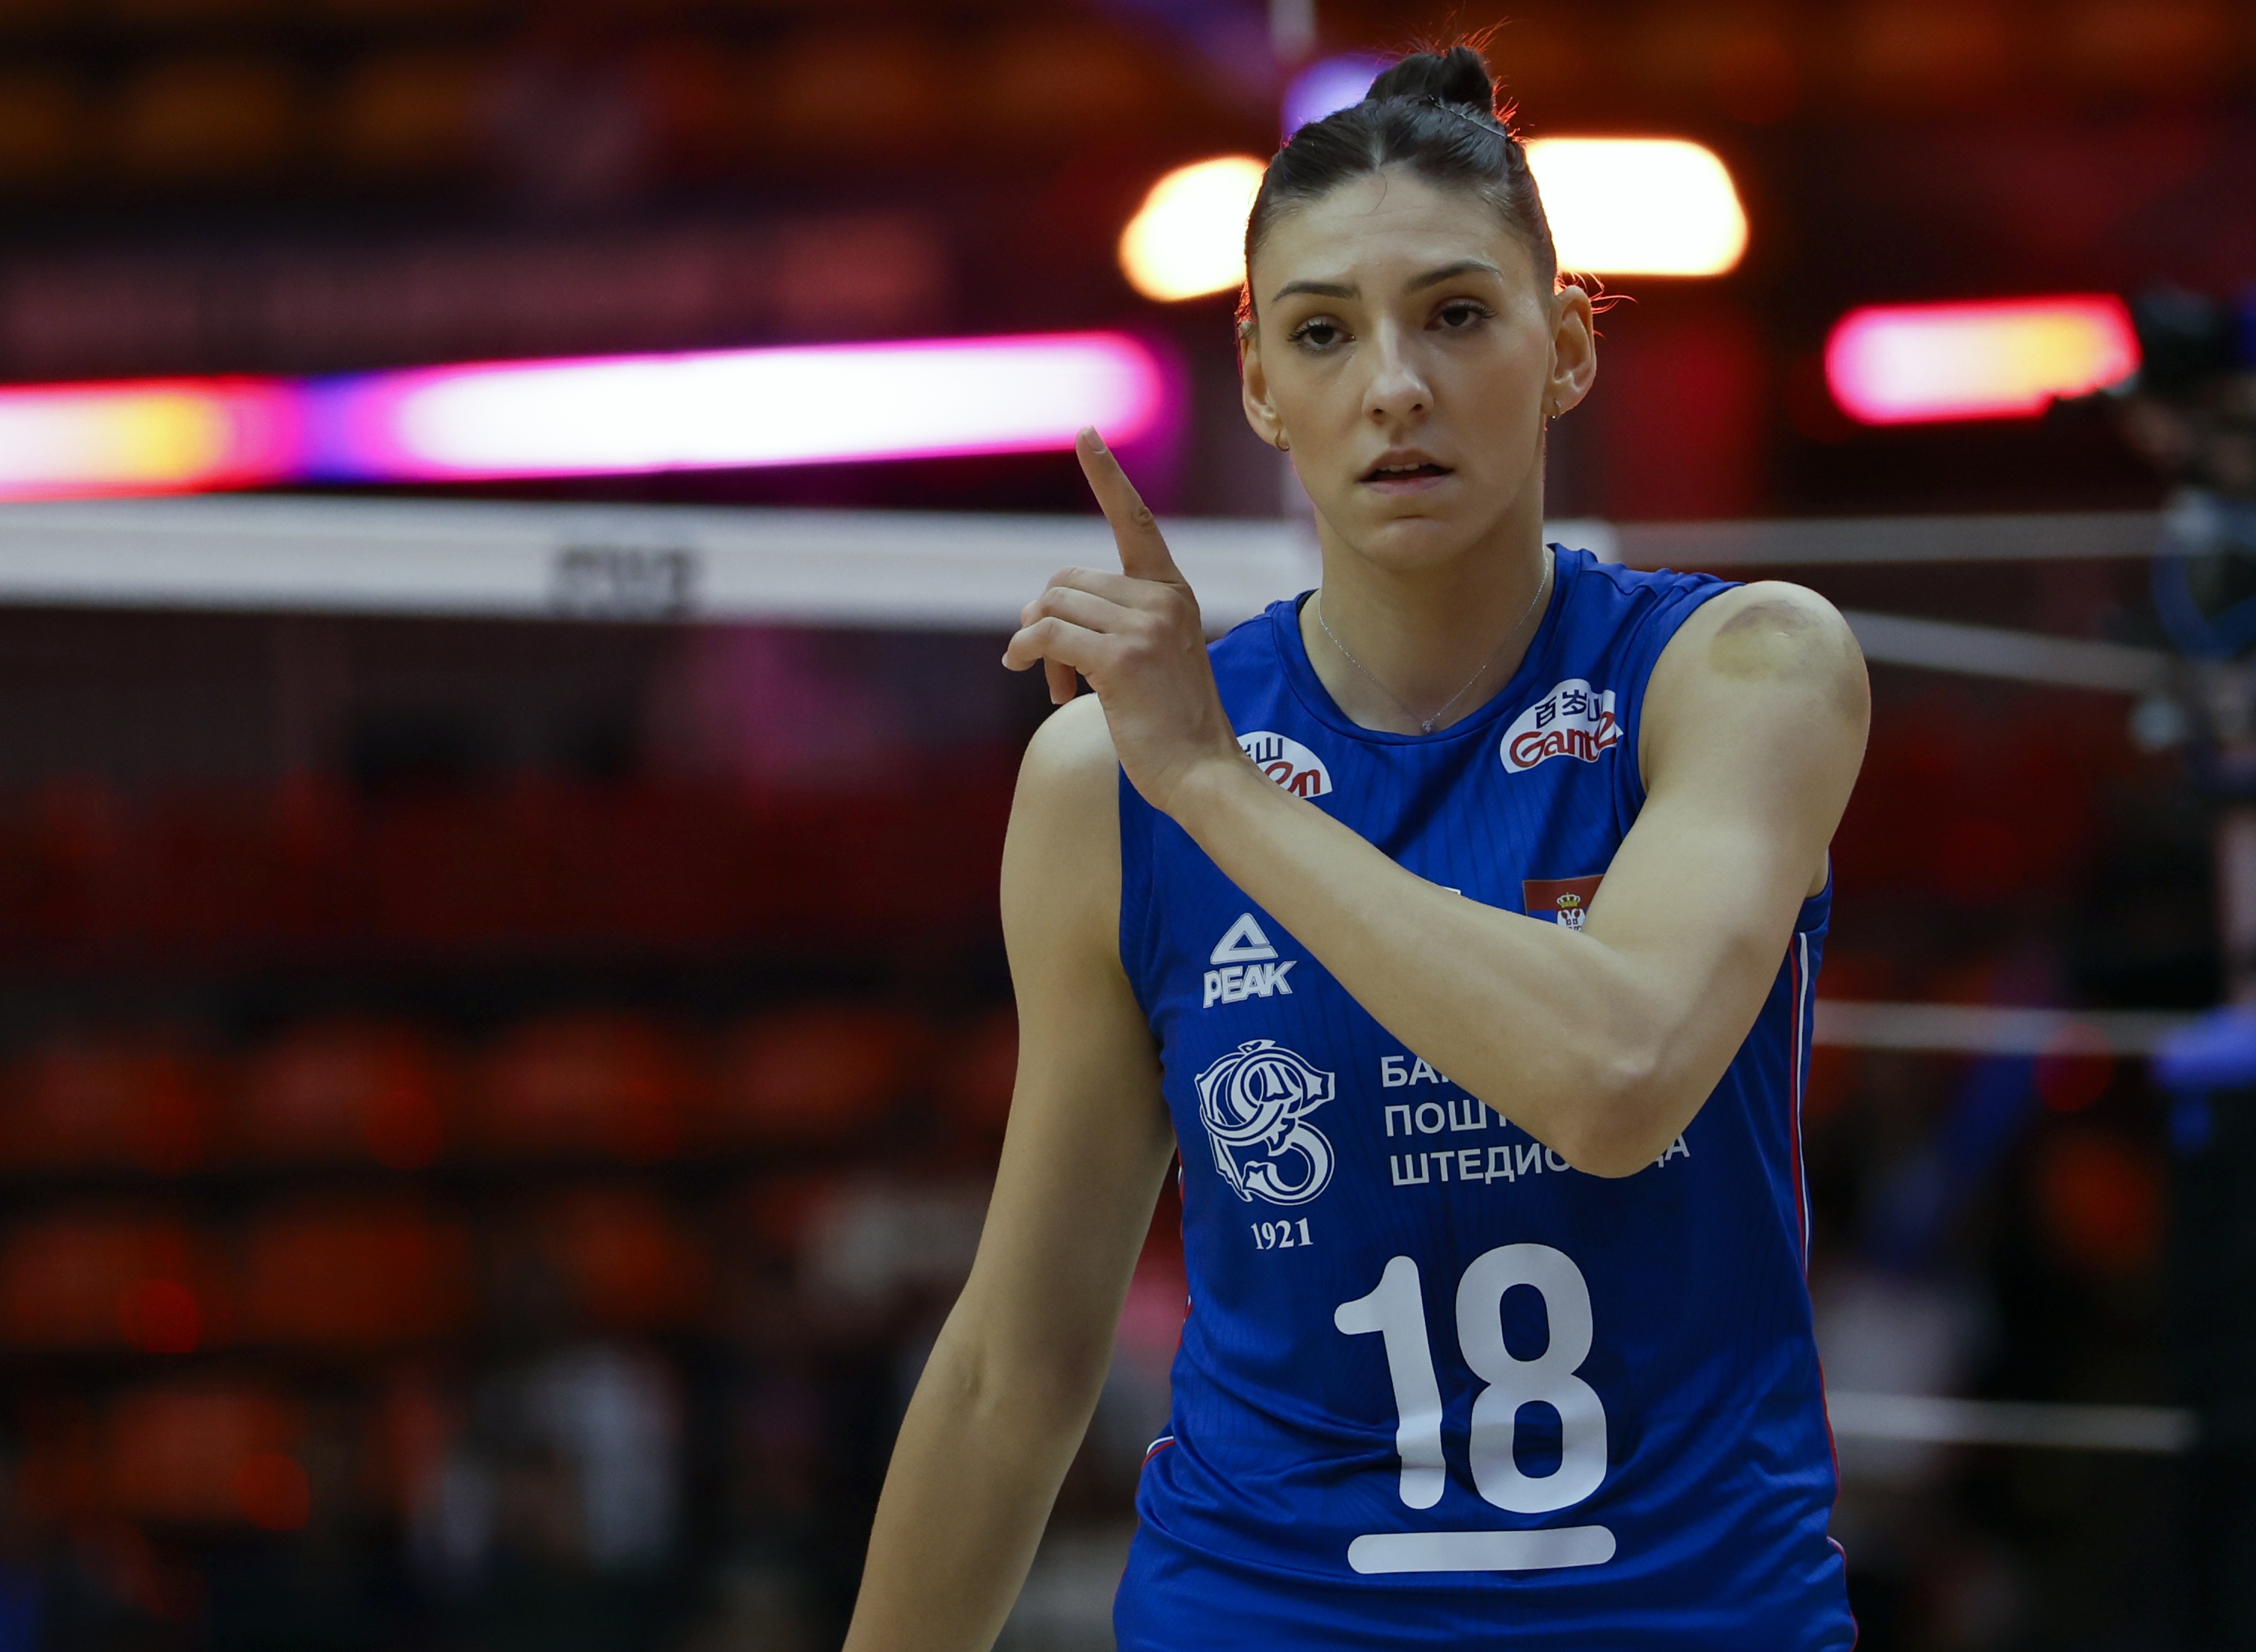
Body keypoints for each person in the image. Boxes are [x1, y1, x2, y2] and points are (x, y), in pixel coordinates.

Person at [844, 43, 1868, 1652]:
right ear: (1258, 383)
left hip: (1683, 1618)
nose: (1392, 383)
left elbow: (1617, 1078)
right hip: (1260, 1612)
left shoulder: (1744, 669)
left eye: (1456, 316)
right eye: (1323, 333)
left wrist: (1218, 786)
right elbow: (1015, 1362)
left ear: (1565, 348)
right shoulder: (1099, 782)